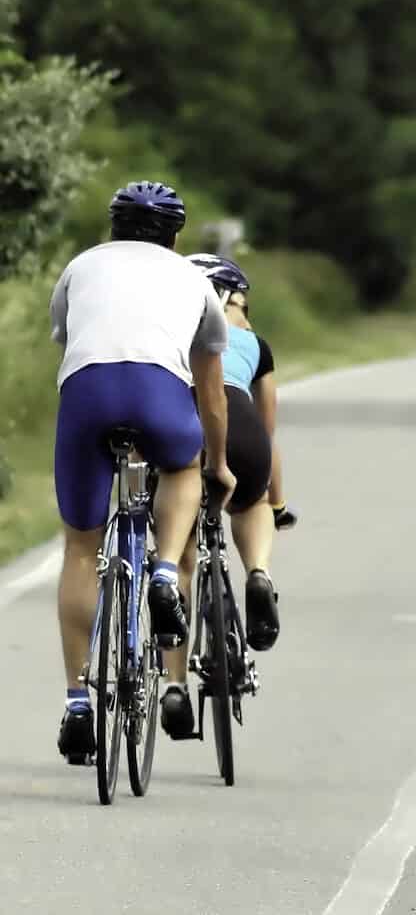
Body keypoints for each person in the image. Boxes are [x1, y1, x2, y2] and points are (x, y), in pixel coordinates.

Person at [49, 180, 237, 763]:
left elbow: (69, 339)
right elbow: (210, 395)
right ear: (175, 235)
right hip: (159, 397)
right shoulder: (195, 281)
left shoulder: (80, 267)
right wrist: (220, 463)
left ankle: (78, 700)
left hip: (87, 396)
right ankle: (160, 571)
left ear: (113, 226)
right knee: (184, 467)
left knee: (82, 549)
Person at [158, 253, 295, 738]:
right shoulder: (256, 344)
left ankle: (174, 686)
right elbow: (269, 432)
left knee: (180, 555)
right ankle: (258, 572)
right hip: (243, 425)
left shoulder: (175, 333)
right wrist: (275, 504)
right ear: (236, 300)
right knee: (250, 502)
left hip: (185, 428)